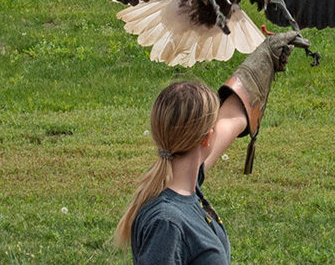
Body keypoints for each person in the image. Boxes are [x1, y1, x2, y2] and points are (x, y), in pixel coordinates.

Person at [114, 32, 309, 264]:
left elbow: (232, 118)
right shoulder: (167, 223)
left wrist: (265, 55)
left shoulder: (184, 185)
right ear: (207, 138)